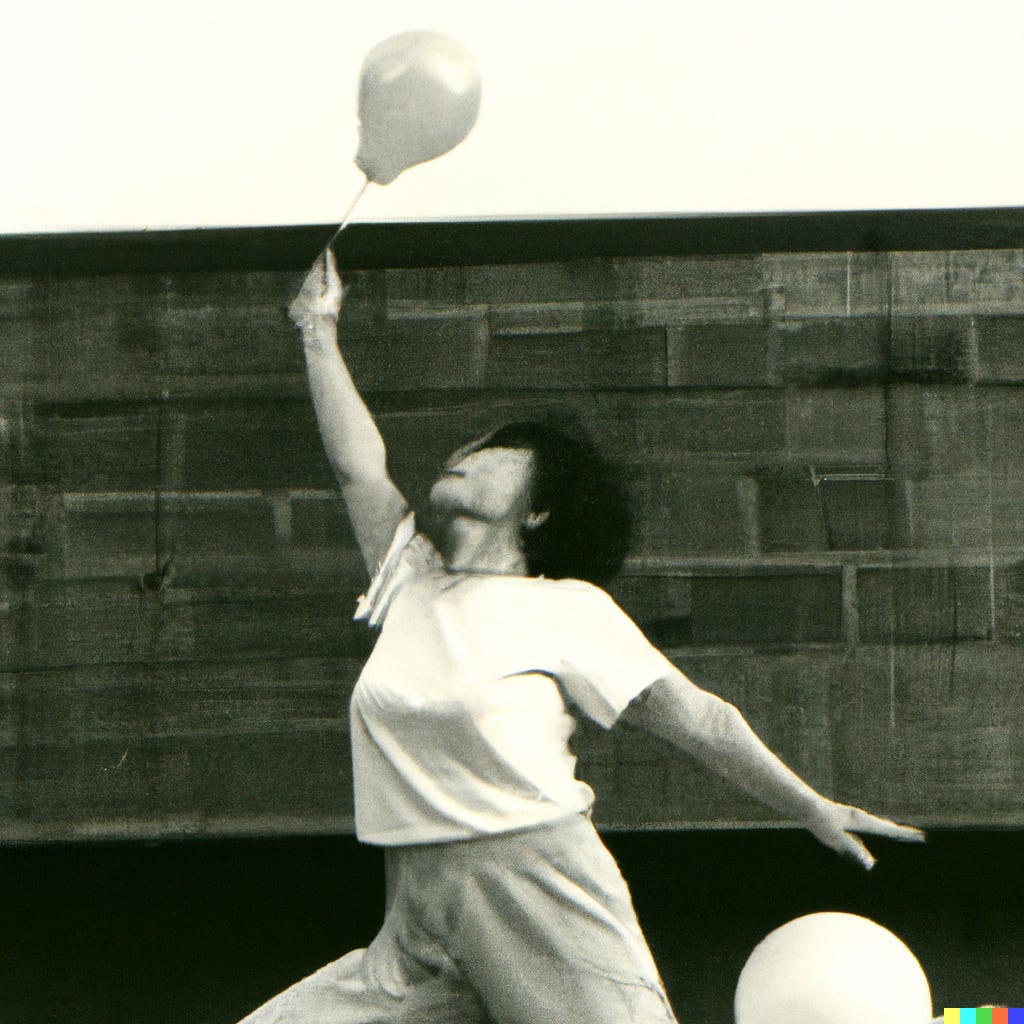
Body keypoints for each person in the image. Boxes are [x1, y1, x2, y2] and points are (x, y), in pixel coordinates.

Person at [238, 251, 925, 1024]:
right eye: (466, 447)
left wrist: (809, 805)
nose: (464, 456)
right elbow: (358, 468)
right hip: (420, 914)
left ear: (537, 510)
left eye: (494, 451)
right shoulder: (410, 582)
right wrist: (317, 327)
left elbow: (697, 718)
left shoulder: (568, 609)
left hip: (542, 896)